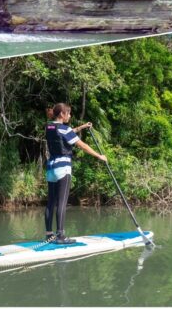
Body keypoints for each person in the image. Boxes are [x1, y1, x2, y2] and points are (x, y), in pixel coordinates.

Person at [44, 103, 107, 244]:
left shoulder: (49, 126)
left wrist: (81, 127)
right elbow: (82, 145)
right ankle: (60, 236)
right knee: (61, 203)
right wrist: (99, 156)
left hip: (51, 169)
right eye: (69, 113)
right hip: (63, 169)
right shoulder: (64, 129)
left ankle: (49, 235)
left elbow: (65, 132)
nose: (70, 115)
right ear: (62, 114)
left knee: (51, 203)